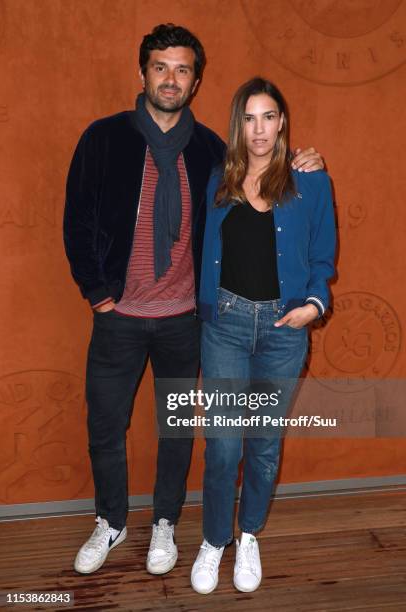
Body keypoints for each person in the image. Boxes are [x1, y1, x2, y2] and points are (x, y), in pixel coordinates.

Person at [63, 23, 325, 576]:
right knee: (106, 426)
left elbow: (265, 182)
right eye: (161, 67)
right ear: (143, 73)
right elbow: (78, 220)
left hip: (184, 320)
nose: (171, 78)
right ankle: (109, 521)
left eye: (183, 69)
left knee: (177, 429)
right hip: (118, 317)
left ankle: (164, 523)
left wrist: (305, 159)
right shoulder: (104, 138)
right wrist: (98, 295)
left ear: (196, 80)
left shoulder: (211, 151)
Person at [191, 77, 336, 594]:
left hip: (282, 331)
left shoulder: (309, 180)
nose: (259, 129)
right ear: (238, 123)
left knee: (264, 446)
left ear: (282, 122)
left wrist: (314, 305)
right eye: (249, 117)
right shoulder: (218, 179)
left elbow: (323, 255)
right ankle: (214, 540)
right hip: (225, 327)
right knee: (224, 446)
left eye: (268, 116)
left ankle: (248, 534)